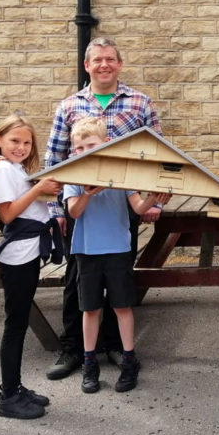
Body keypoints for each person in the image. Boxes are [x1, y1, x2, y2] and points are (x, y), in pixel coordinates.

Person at [44, 37, 163, 381]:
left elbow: (155, 150)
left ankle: (114, 347)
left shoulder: (139, 102)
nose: (104, 65)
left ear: (119, 64)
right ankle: (75, 350)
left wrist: (154, 196)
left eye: (110, 59)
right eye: (97, 60)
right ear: (87, 65)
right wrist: (57, 211)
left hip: (122, 201)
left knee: (120, 274)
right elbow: (55, 159)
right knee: (78, 283)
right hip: (80, 206)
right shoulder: (68, 106)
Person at [63, 117, 169, 394]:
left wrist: (154, 198)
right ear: (74, 150)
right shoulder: (73, 173)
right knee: (90, 309)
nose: (86, 150)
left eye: (92, 144)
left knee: (122, 306)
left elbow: (138, 207)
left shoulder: (121, 172)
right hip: (86, 250)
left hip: (119, 249)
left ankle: (129, 360)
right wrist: (87, 193)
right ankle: (89, 363)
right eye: (80, 146)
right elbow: (73, 212)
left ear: (106, 143)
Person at [0, 114, 64, 420]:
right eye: (15, 141)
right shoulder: (3, 169)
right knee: (15, 326)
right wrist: (38, 188)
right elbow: (8, 214)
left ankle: (16, 387)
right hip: (17, 255)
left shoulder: (17, 169)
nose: (21, 147)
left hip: (30, 253)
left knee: (18, 323)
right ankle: (9, 395)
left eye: (27, 142)